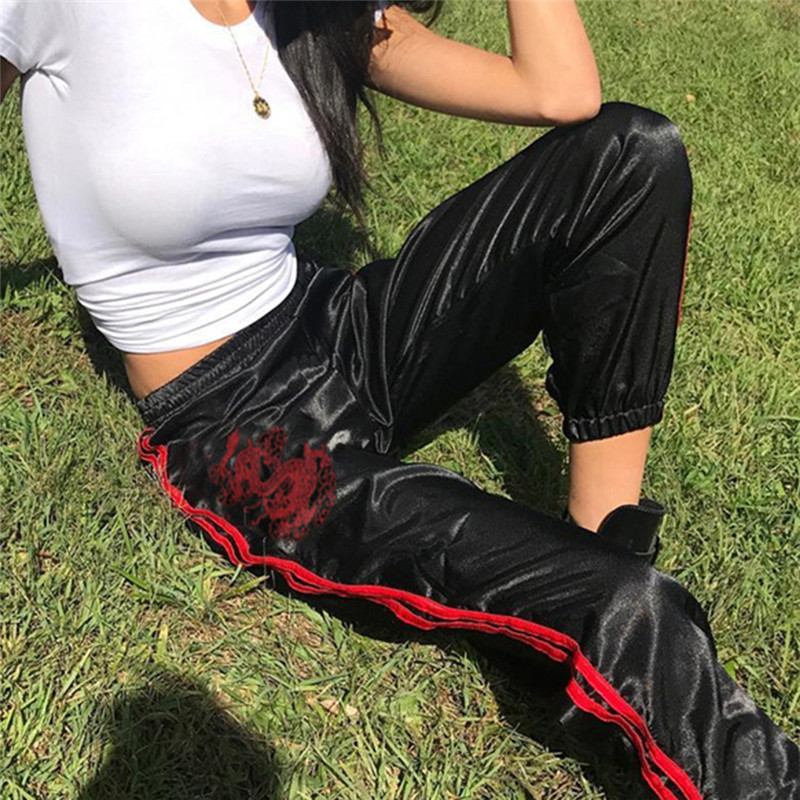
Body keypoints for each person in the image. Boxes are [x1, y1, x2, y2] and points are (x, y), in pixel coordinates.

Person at [1, 1, 797, 797]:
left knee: (630, 153)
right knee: (628, 607)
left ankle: (606, 534)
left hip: (336, 327)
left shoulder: (311, 12)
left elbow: (560, 93)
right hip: (236, 427)